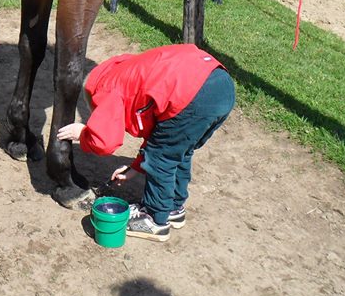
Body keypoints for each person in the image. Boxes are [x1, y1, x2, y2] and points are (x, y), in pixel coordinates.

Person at [57, 43, 235, 242]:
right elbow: (162, 134)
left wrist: (84, 133)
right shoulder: (128, 72)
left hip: (192, 95)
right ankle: (174, 208)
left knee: (162, 158)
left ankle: (154, 219)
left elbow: (104, 141)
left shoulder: (106, 89)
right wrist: (136, 167)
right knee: (178, 150)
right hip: (220, 84)